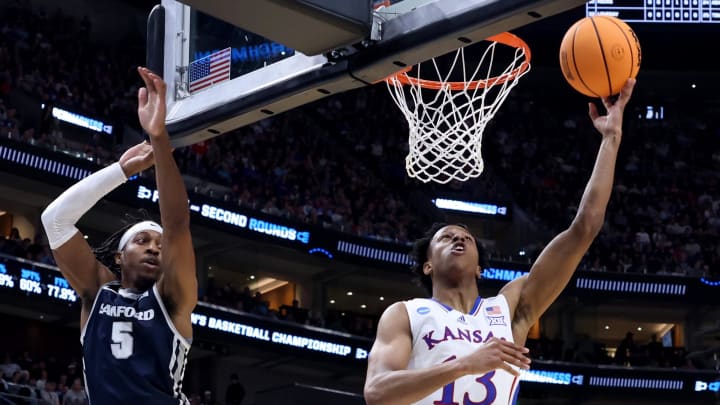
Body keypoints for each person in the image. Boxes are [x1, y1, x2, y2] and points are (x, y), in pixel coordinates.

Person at [364, 79, 636, 405]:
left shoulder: (507, 309)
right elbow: (377, 393)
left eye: (467, 237)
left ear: (479, 267)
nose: (459, 238)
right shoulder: (405, 314)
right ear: (428, 264)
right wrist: (464, 365)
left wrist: (611, 138)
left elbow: (585, 227)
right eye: (446, 238)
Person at [41, 67, 197, 404]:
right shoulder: (97, 294)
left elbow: (177, 226)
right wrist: (122, 171)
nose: (155, 248)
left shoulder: (172, 299)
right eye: (142, 241)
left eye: (159, 244)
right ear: (118, 257)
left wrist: (160, 142)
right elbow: (54, 220)